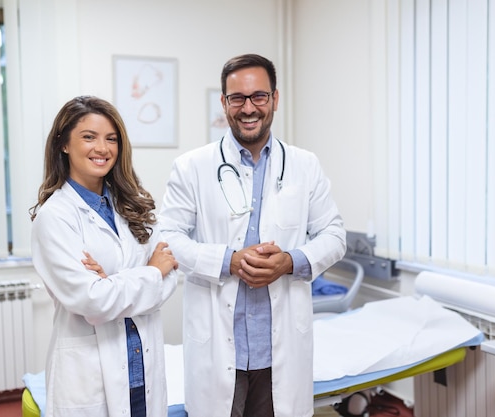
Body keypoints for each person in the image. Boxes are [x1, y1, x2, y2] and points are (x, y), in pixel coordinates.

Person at [158, 54, 346, 417]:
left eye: (259, 96)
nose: (249, 108)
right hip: (218, 344)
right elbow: (168, 238)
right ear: (224, 103)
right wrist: (228, 260)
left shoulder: (304, 165)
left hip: (280, 350)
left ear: (275, 99)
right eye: (237, 98)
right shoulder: (192, 167)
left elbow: (334, 235)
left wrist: (290, 261)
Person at [30, 95, 178, 417]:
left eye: (111, 139)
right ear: (64, 144)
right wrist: (150, 273)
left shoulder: (134, 205)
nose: (103, 148)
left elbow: (171, 271)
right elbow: (93, 301)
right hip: (90, 375)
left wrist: (111, 282)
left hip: (143, 367)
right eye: (89, 137)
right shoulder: (55, 217)